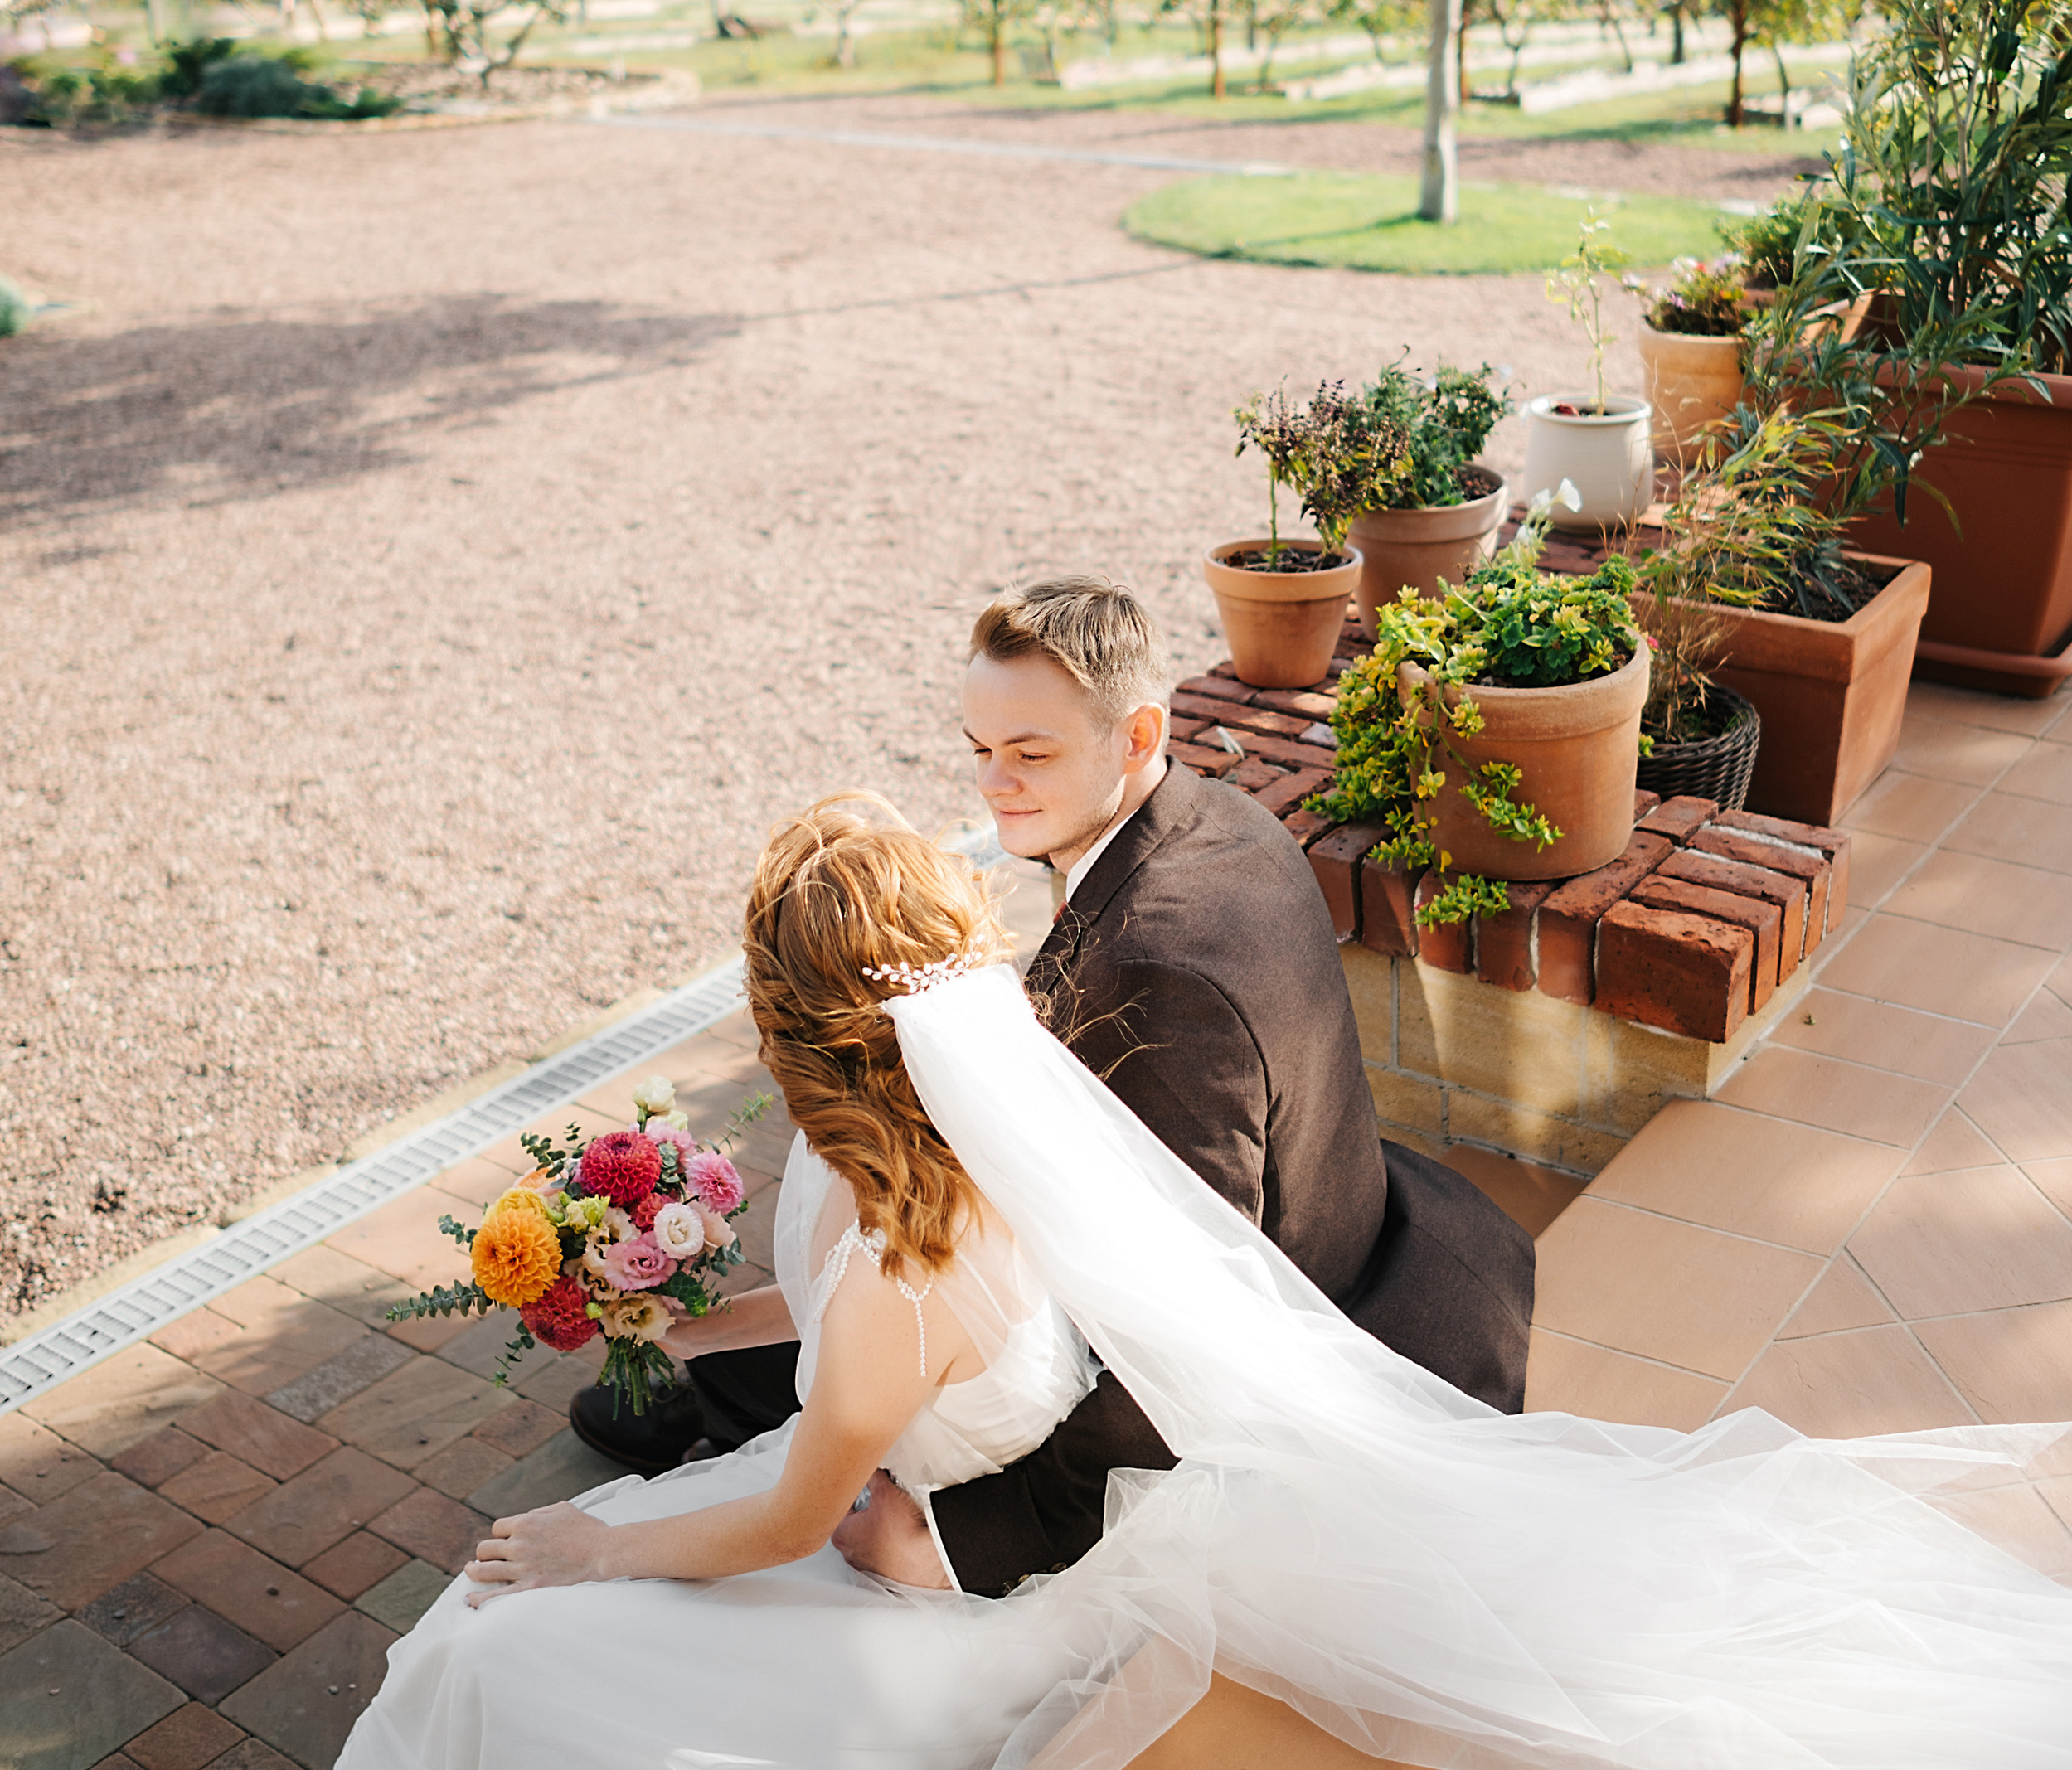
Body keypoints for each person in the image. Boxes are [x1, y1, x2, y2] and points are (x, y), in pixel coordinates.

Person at [226, 802, 2072, 1770]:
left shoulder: (887, 1252)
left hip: (939, 1593)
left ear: (793, 1035)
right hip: (952, 1509)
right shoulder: (994, 1131)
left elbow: (804, 1495)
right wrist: (682, 1336)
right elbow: (852, 1361)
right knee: (540, 1599)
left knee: (515, 1632)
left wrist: (590, 1552)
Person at [572, 577, 1534, 1600]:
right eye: (979, 749)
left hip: (1302, 1323)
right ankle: (725, 1398)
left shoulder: (1161, 977)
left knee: (834, 1346)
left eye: (1030, 755)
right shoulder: (1213, 815)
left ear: (1135, 734)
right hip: (1354, 1215)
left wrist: (963, 1541)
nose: (995, 785)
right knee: (807, 1333)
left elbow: (1183, 1332)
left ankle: (726, 1424)